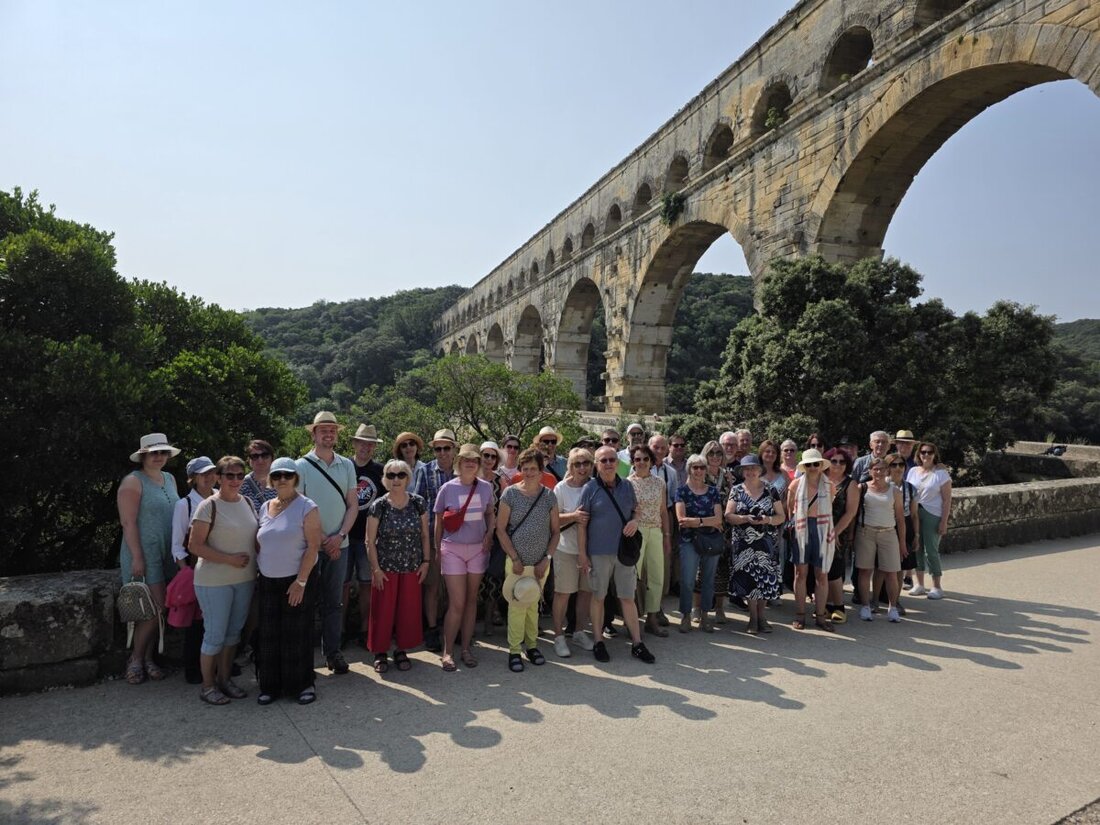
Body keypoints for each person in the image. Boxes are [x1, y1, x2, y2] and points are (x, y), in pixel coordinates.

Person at [187, 456, 258, 705]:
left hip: (244, 579)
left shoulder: (248, 502)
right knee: (215, 635)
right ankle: (208, 687)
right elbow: (194, 546)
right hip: (213, 581)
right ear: (218, 477)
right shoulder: (208, 506)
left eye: (240, 475)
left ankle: (225, 680)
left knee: (233, 634)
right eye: (230, 475)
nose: (235, 480)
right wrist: (229, 559)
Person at [577, 446, 656, 664]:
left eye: (612, 459)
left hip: (623, 552)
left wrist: (635, 521)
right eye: (603, 460)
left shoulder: (627, 486)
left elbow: (636, 511)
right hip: (598, 552)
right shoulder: (590, 488)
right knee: (598, 597)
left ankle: (637, 643)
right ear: (596, 464)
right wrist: (582, 554)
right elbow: (581, 524)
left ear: (617, 462)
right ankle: (598, 641)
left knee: (627, 597)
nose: (609, 464)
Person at [256, 457, 322, 705]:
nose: (282, 479)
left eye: (287, 475)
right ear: (271, 480)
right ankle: (270, 686)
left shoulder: (307, 507)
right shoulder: (265, 507)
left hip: (297, 580)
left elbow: (313, 547)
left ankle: (302, 685)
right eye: (277, 475)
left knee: (297, 634)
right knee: (269, 635)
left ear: (296, 478)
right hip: (268, 581)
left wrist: (301, 581)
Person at [295, 411, 358, 675]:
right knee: (305, 604)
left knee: (334, 603)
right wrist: (323, 539)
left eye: (332, 430)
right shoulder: (301, 466)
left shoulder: (347, 465)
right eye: (324, 430)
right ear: (314, 434)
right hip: (310, 547)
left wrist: (339, 536)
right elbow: (298, 508)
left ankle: (333, 653)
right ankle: (303, 659)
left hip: (339, 545)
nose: (329, 434)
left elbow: (352, 504)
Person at [117, 433, 181, 685]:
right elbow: (128, 522)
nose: (159, 456)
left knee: (158, 610)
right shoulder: (133, 482)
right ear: (143, 455)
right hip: (144, 553)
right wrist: (137, 557)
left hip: (166, 553)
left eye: (163, 452)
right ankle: (135, 659)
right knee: (153, 609)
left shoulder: (169, 479)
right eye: (154, 452)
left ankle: (147, 659)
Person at [497, 448, 559, 672]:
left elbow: (555, 532)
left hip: (541, 563)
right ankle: (514, 650)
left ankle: (532, 646)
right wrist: (514, 558)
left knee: (533, 604)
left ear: (541, 471)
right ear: (520, 470)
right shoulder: (510, 494)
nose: (530, 472)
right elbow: (500, 529)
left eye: (534, 468)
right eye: (526, 468)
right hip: (517, 563)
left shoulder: (549, 496)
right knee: (517, 605)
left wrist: (547, 559)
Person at [433, 444, 494, 671]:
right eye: (466, 459)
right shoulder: (447, 488)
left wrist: (489, 533)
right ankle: (448, 651)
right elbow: (438, 520)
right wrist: (437, 548)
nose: (470, 463)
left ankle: (466, 649)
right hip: (453, 549)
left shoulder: (486, 487)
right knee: (457, 603)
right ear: (459, 462)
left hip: (478, 549)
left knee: (471, 600)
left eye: (474, 460)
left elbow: (490, 512)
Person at [366, 459, 429, 673]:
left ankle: (401, 649)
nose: (396, 479)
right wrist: (376, 569)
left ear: (408, 478)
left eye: (401, 474)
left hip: (412, 566)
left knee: (407, 611)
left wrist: (426, 562)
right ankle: (380, 652)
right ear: (385, 479)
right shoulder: (379, 505)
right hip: (385, 568)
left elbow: (425, 535)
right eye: (391, 475)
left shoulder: (418, 502)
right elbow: (369, 541)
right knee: (382, 613)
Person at [171, 455, 218, 684]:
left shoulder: (221, 498)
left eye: (211, 472)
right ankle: (193, 668)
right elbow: (177, 545)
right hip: (197, 569)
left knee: (218, 620)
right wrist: (186, 572)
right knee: (196, 623)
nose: (208, 477)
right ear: (193, 478)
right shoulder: (185, 505)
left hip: (221, 568)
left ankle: (218, 665)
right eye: (203, 474)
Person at [725, 455, 785, 634]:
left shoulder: (771, 490)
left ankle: (761, 617)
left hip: (766, 543)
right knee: (749, 580)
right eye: (747, 469)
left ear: (760, 470)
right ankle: (753, 618)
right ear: (742, 471)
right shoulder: (736, 490)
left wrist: (768, 519)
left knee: (765, 580)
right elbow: (728, 515)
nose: (750, 471)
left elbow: (781, 516)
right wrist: (745, 518)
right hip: (744, 544)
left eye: (754, 468)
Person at [415, 428, 457, 652]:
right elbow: (418, 504)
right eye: (438, 448)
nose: (442, 453)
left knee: (453, 587)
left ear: (454, 449)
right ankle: (431, 629)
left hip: (458, 538)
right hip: (432, 536)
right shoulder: (426, 470)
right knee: (431, 586)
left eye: (446, 448)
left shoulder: (462, 470)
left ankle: (452, 627)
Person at [785, 449, 836, 632]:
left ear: (821, 465)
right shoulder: (795, 485)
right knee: (800, 573)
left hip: (822, 528)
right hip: (801, 528)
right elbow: (790, 509)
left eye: (816, 464)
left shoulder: (829, 485)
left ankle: (820, 616)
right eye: (809, 464)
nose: (813, 467)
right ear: (804, 467)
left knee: (822, 574)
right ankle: (800, 614)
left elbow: (830, 508)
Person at [551, 448, 595, 657]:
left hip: (590, 550)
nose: (582, 468)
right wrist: (574, 516)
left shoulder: (595, 486)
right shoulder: (561, 488)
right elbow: (552, 519)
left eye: (586, 463)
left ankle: (579, 631)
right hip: (565, 549)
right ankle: (559, 636)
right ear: (570, 466)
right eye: (577, 464)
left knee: (586, 592)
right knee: (563, 593)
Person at [345, 424, 385, 649]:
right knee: (341, 585)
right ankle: (339, 631)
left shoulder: (380, 471)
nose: (365, 447)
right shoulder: (344, 467)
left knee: (366, 585)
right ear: (354, 443)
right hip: (343, 535)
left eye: (370, 444)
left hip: (368, 538)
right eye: (362, 442)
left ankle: (364, 630)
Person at [675, 453, 724, 633]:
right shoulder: (681, 491)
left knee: (708, 580)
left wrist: (696, 521)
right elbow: (682, 520)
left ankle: (705, 616)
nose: (698, 470)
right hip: (689, 540)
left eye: (702, 467)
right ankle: (686, 615)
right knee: (688, 580)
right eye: (695, 467)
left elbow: (718, 519)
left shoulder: (713, 491)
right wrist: (706, 521)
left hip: (710, 540)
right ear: (689, 469)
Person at [854, 457, 907, 623]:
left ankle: (892, 607)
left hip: (888, 533)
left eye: (882, 468)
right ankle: (865, 606)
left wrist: (902, 542)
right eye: (875, 469)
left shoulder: (895, 491)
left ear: (887, 471)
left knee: (891, 572)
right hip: (866, 532)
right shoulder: (862, 488)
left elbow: (900, 518)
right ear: (870, 471)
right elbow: (853, 513)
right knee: (865, 570)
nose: (879, 472)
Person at [628, 445, 670, 637]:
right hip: (636, 533)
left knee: (656, 576)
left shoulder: (659, 483)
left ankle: (652, 619)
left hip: (655, 531)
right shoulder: (627, 483)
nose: (642, 462)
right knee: (633, 577)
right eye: (637, 459)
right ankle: (631, 620)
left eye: (645, 459)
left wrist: (667, 536)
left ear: (651, 461)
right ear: (633, 462)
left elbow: (663, 511)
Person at [907, 442, 952, 599]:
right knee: (916, 548)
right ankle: (919, 584)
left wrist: (944, 522)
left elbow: (947, 500)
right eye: (923, 452)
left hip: (933, 514)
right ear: (918, 454)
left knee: (931, 551)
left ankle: (937, 586)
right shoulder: (913, 471)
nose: (926, 455)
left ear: (934, 454)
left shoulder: (941, 474)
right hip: (914, 512)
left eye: (930, 452)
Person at [823, 448, 860, 623]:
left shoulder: (850, 484)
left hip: (838, 532)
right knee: (821, 570)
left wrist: (835, 532)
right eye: (834, 461)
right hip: (819, 530)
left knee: (834, 570)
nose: (838, 464)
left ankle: (838, 606)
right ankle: (826, 604)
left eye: (842, 461)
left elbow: (851, 512)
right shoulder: (821, 479)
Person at [700, 440, 733, 622]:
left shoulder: (727, 476)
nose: (715, 456)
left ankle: (720, 608)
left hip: (723, 529)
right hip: (703, 526)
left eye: (718, 453)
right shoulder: (699, 473)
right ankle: (698, 608)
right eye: (711, 453)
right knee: (701, 569)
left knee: (722, 569)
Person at [477, 441, 508, 631]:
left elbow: (505, 509)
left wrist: (493, 530)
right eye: (485, 455)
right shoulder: (471, 477)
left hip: (495, 536)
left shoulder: (500, 481)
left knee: (493, 578)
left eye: (493, 456)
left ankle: (488, 620)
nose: (489, 459)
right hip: (472, 536)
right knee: (475, 579)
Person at [650, 433, 679, 625]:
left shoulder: (671, 472)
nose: (659, 451)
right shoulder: (638, 466)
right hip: (643, 519)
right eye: (655, 447)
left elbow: (674, 500)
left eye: (662, 448)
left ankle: (657, 608)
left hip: (664, 517)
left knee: (662, 567)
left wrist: (671, 531)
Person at [888, 455, 919, 610]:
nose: (898, 468)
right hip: (886, 524)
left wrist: (917, 535)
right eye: (894, 465)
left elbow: (914, 515)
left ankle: (895, 599)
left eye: (901, 465)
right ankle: (880, 598)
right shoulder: (883, 484)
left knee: (901, 565)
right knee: (883, 566)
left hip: (905, 525)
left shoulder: (911, 488)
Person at [241, 440, 278, 510]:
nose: (260, 460)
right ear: (249, 460)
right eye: (255, 456)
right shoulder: (241, 484)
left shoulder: (283, 480)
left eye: (265, 455)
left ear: (272, 458)